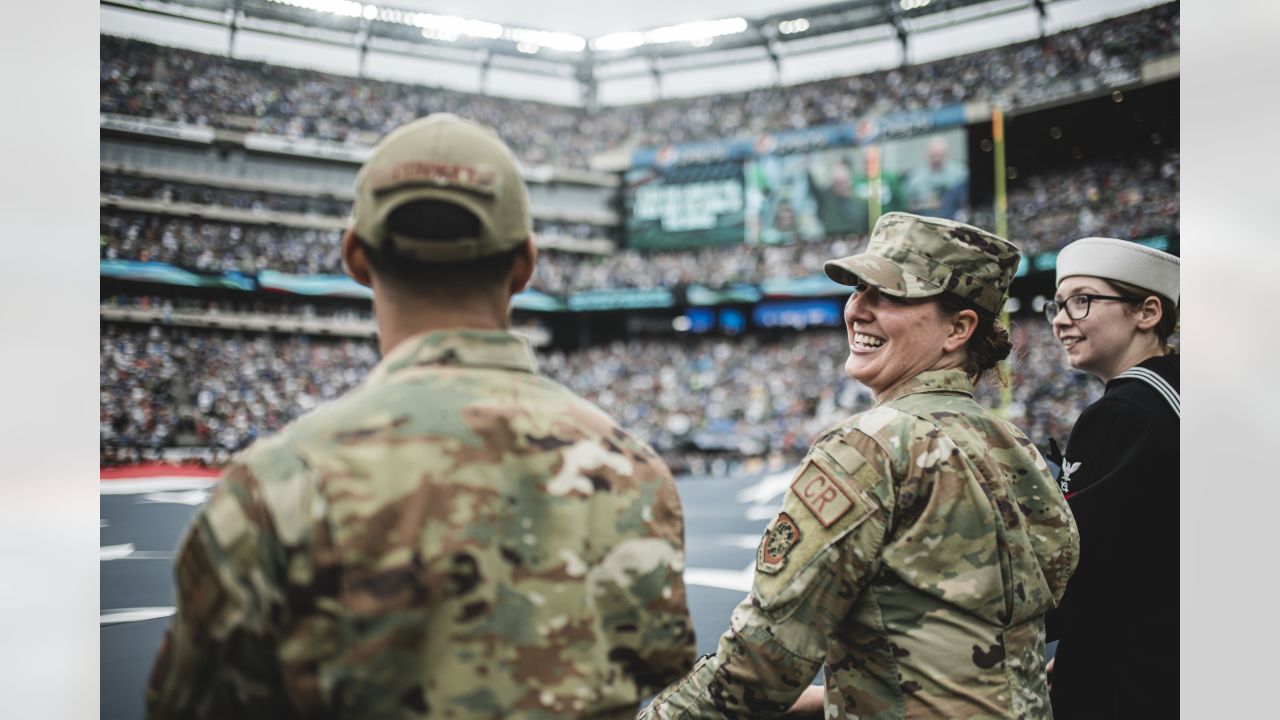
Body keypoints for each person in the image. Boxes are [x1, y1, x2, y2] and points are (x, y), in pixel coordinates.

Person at [145, 114, 696, 719]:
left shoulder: (277, 485)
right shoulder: (633, 471)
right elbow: (661, 664)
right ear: (524, 263)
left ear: (355, 257)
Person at [642, 212, 1078, 719]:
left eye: (891, 295)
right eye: (859, 290)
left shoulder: (871, 445)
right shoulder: (1013, 444)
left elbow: (764, 658)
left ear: (959, 328)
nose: (858, 310)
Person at [1042, 237, 1179, 719]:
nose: (1061, 319)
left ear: (1147, 312)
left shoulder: (1123, 414)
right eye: (1057, 305)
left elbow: (1073, 569)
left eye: (1082, 300)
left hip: (1135, 680)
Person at [903, 136, 969, 221]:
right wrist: (925, 204)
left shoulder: (960, 173)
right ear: (927, 154)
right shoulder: (915, 177)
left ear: (947, 154)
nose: (937, 159)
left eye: (941, 155)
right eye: (934, 155)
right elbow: (906, 205)